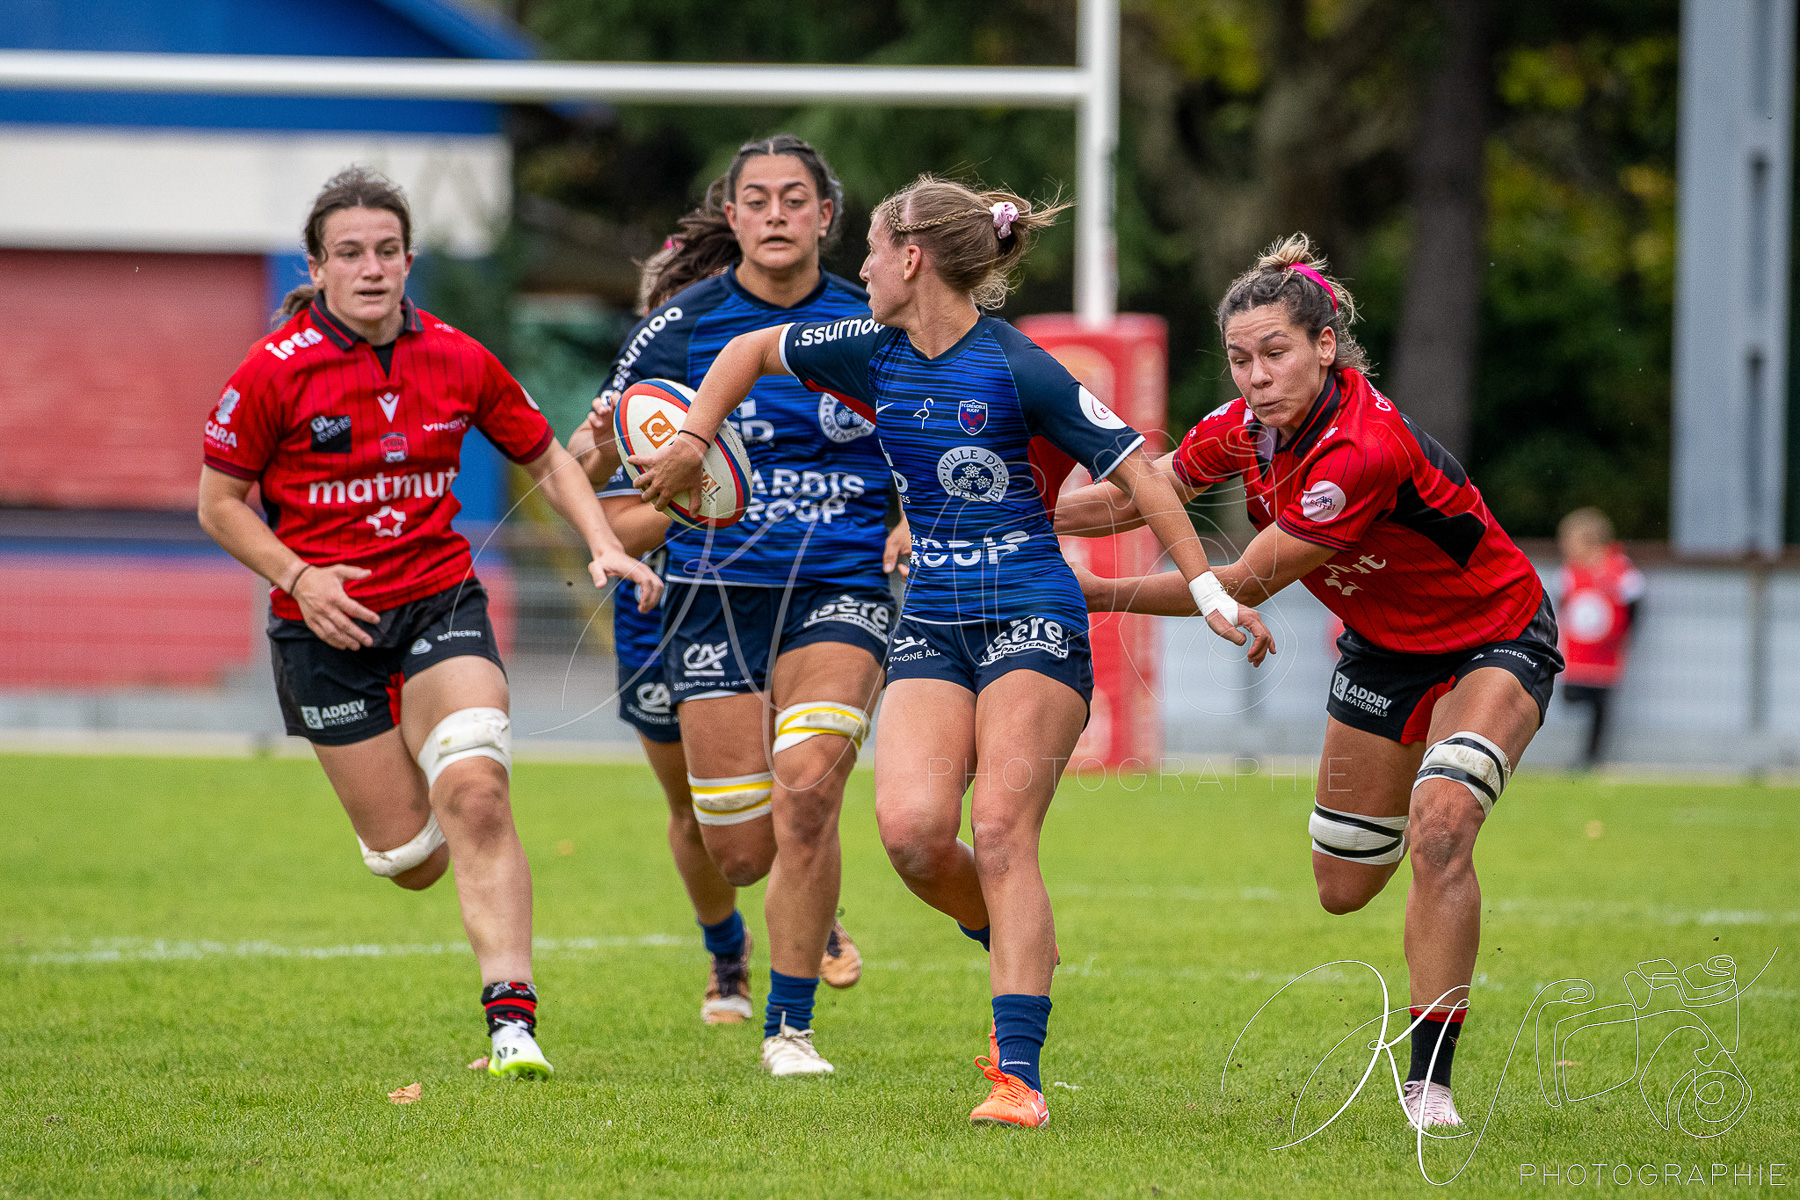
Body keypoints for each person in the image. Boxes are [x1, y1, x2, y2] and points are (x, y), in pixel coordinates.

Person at [633, 175, 1218, 1127]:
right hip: (937, 620)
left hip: (1034, 612)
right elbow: (743, 350)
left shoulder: (1019, 366)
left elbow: (1140, 472)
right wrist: (696, 439)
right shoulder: (870, 350)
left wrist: (1204, 584)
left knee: (998, 831)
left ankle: (1016, 1074)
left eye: (867, 250)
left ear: (912, 260)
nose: (855, 269)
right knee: (908, 836)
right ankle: (1009, 935)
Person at [1057, 234, 1562, 1131]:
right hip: (1380, 651)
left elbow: (1243, 580)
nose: (1256, 375)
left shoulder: (1359, 450)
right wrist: (988, 507)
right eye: (1242, 358)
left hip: (1495, 635)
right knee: (1343, 886)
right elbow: (1146, 492)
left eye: (1276, 353)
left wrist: (1092, 590)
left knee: (1442, 828)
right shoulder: (1240, 429)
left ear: (1325, 344)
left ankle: (1429, 1083)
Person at [197, 167, 660, 1080]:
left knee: (481, 793)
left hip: (439, 600)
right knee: (411, 858)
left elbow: (545, 454)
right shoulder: (269, 373)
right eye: (350, 254)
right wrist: (300, 575)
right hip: (322, 628)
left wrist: (604, 540)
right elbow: (218, 505)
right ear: (318, 266)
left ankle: (513, 1026)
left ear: (409, 259)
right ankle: (419, 796)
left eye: (386, 251)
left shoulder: (458, 356)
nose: (371, 269)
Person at [569, 136, 905, 1073]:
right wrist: (604, 454)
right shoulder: (680, 325)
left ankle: (786, 1029)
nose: (775, 215)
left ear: (827, 217)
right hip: (713, 596)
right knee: (740, 851)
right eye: (755, 200)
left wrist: (913, 515)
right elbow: (592, 463)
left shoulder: (875, 320)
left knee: (809, 785)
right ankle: (773, 921)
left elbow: (938, 418)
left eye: (795, 199)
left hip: (839, 587)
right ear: (731, 217)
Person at [1555, 507, 1644, 769]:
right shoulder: (1570, 572)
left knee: (1601, 707)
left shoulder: (1620, 570)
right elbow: (1562, 605)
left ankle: (1592, 757)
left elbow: (1635, 603)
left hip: (1607, 652)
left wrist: (1624, 633)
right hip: (1578, 652)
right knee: (1571, 696)